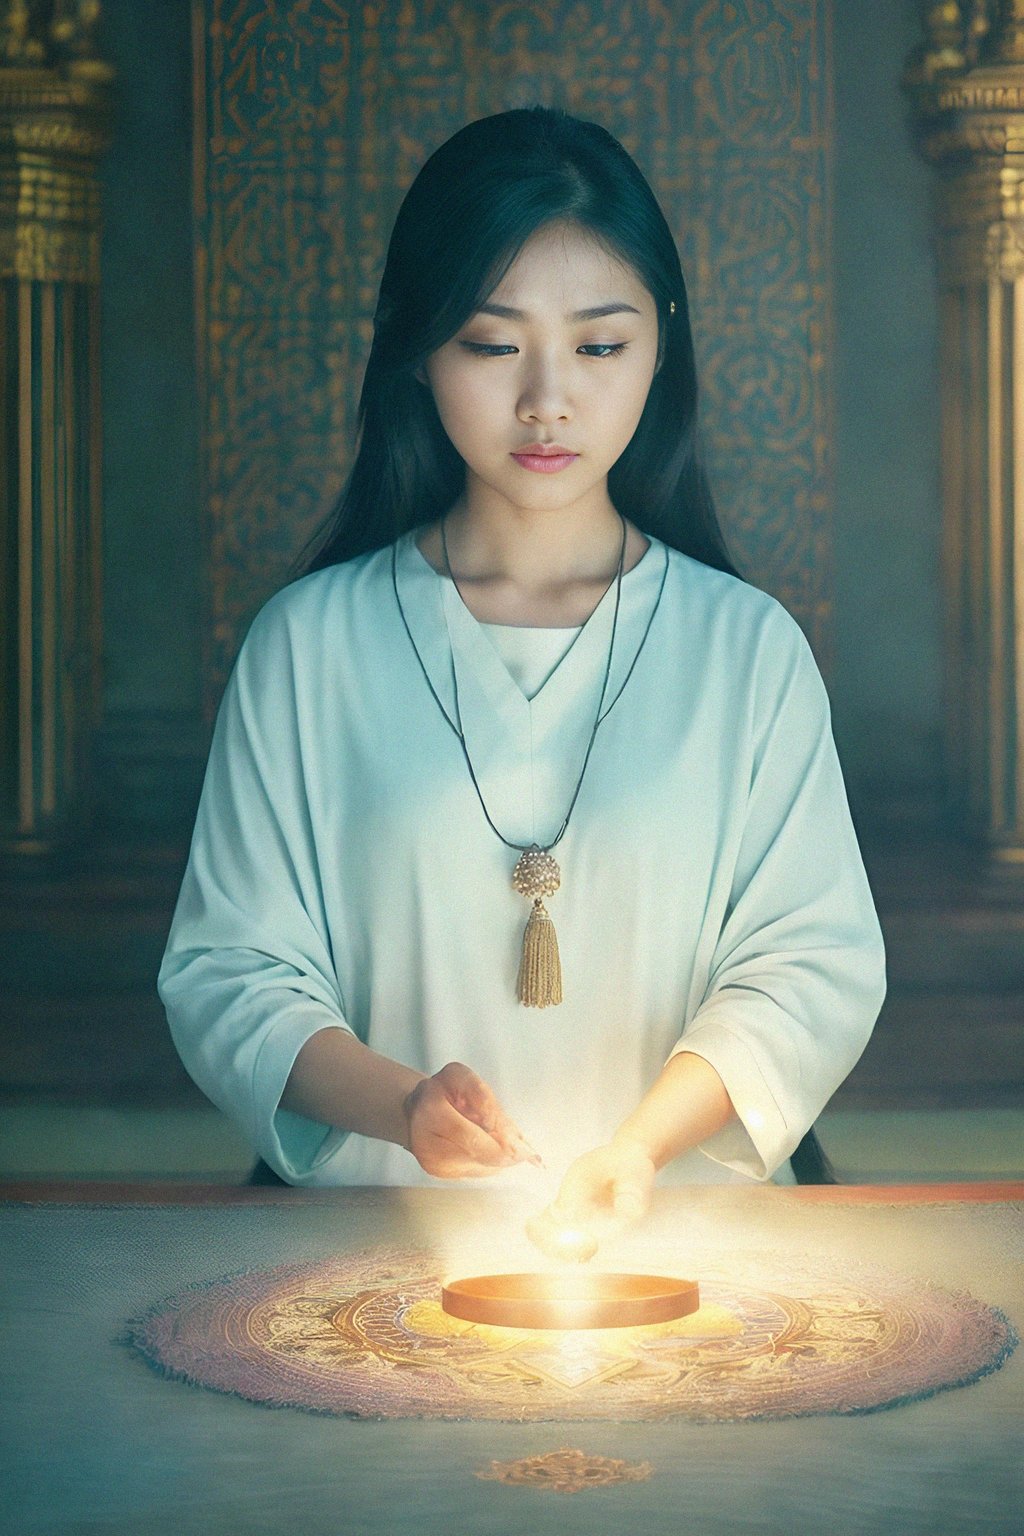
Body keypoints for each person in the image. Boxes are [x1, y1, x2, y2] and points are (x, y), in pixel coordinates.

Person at [158, 106, 886, 1243]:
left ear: (663, 345)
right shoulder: (308, 646)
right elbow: (230, 971)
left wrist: (637, 1152)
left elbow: (810, 969)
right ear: (416, 346)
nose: (547, 399)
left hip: (692, 1258)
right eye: (493, 345)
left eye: (600, 346)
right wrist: (404, 1108)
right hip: (366, 1251)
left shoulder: (746, 651)